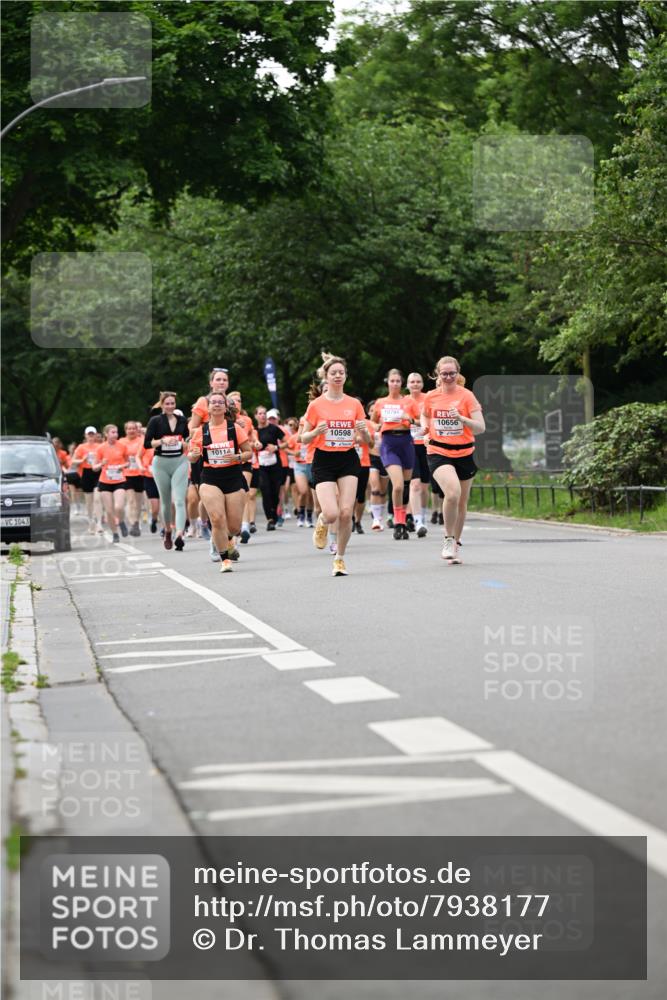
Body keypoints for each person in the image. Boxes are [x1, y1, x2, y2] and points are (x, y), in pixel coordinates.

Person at [301, 353, 369, 577]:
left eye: (341, 372)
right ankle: (321, 522)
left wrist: (364, 431)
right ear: (326, 376)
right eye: (334, 373)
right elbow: (303, 438)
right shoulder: (316, 405)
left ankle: (339, 559)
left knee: (346, 512)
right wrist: (315, 432)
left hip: (348, 458)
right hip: (324, 460)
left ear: (345, 376)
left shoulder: (354, 404)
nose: (338, 376)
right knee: (331, 513)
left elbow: (368, 441)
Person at [421, 356, 485, 564]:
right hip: (438, 451)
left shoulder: (467, 396)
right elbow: (425, 416)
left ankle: (456, 543)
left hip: (465, 452)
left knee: (462, 501)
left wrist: (462, 419)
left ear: (458, 374)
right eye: (444, 374)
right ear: (437, 375)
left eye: (452, 373)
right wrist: (425, 430)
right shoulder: (431, 397)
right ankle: (448, 539)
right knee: (453, 492)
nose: (448, 377)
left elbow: (480, 427)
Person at [188, 390, 252, 573]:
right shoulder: (201, 431)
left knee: (233, 526)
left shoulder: (234, 428)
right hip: (210, 478)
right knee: (216, 519)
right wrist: (192, 455)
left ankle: (230, 539)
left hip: (233, 477)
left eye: (220, 402)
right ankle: (224, 559)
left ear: (225, 408)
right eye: (213, 402)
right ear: (208, 408)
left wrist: (237, 457)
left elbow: (248, 452)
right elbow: (192, 457)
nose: (216, 404)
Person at [372, 369, 421, 541]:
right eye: (392, 381)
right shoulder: (381, 402)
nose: (395, 384)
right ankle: (398, 522)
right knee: (398, 485)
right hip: (389, 443)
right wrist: (376, 426)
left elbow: (421, 421)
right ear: (387, 382)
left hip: (406, 442)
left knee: (406, 485)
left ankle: (402, 521)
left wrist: (411, 419)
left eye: (398, 381)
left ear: (402, 383)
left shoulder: (409, 401)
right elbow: (372, 420)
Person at [144, 391, 190, 551]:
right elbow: (147, 444)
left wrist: (186, 444)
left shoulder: (182, 420)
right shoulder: (155, 421)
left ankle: (179, 534)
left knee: (178, 500)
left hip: (180, 461)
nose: (170, 406)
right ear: (162, 405)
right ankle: (168, 531)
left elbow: (188, 438)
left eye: (173, 403)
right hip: (161, 463)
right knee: (165, 501)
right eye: (167, 404)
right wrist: (163, 441)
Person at [92, 425, 129, 544]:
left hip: (119, 480)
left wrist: (121, 466)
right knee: (109, 511)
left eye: (116, 432)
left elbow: (128, 462)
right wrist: (101, 463)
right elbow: (94, 467)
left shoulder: (122, 446)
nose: (115, 434)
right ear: (106, 434)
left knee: (119, 506)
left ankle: (121, 521)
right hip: (105, 482)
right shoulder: (100, 448)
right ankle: (115, 533)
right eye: (113, 432)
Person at [406, 372, 430, 537]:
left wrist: (414, 421)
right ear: (407, 385)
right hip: (410, 445)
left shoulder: (429, 398)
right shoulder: (403, 401)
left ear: (422, 384)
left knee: (424, 486)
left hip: (428, 445)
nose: (415, 384)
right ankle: (417, 521)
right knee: (414, 484)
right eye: (412, 382)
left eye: (418, 381)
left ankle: (422, 514)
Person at [254, 405, 285, 530]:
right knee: (265, 490)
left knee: (275, 491)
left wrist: (276, 447)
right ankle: (270, 519)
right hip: (261, 465)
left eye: (264, 413)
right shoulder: (255, 431)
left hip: (275, 464)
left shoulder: (274, 429)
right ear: (255, 416)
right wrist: (255, 445)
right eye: (260, 413)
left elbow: (287, 442)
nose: (262, 415)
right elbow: (248, 443)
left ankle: (274, 513)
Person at [70, 426, 103, 533]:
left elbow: (104, 458)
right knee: (89, 501)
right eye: (89, 434)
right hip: (85, 473)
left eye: (92, 434)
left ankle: (99, 524)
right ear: (85, 436)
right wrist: (82, 460)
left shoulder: (100, 446)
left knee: (97, 499)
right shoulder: (81, 447)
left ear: (95, 435)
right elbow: (73, 461)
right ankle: (91, 523)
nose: (91, 436)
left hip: (97, 473)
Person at [119, 421, 145, 536]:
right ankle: (133, 524)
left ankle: (136, 521)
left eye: (133, 428)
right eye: (129, 429)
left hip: (139, 474)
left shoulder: (141, 441)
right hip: (126, 474)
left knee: (138, 502)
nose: (131, 431)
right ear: (125, 430)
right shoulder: (121, 442)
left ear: (136, 429)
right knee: (131, 501)